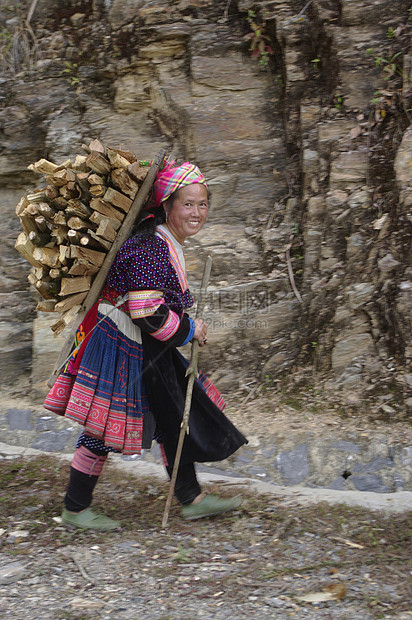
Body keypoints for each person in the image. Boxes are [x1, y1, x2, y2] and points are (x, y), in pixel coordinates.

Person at [44, 159, 247, 530]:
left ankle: (192, 498)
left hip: (144, 343)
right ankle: (75, 508)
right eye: (188, 204)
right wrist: (190, 330)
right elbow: (146, 311)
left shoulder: (162, 241)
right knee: (103, 426)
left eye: (203, 204)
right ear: (167, 205)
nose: (197, 212)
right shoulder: (150, 246)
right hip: (121, 340)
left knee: (173, 413)